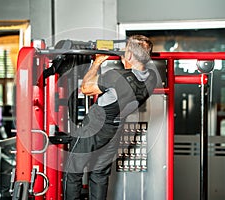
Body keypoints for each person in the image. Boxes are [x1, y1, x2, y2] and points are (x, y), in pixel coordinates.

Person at [63, 35, 158, 200]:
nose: (122, 54)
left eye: (126, 51)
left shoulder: (116, 76)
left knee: (73, 171)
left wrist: (97, 62)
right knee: (99, 174)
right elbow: (134, 75)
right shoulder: (151, 78)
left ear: (129, 56)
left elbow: (85, 88)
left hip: (94, 128)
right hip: (114, 131)